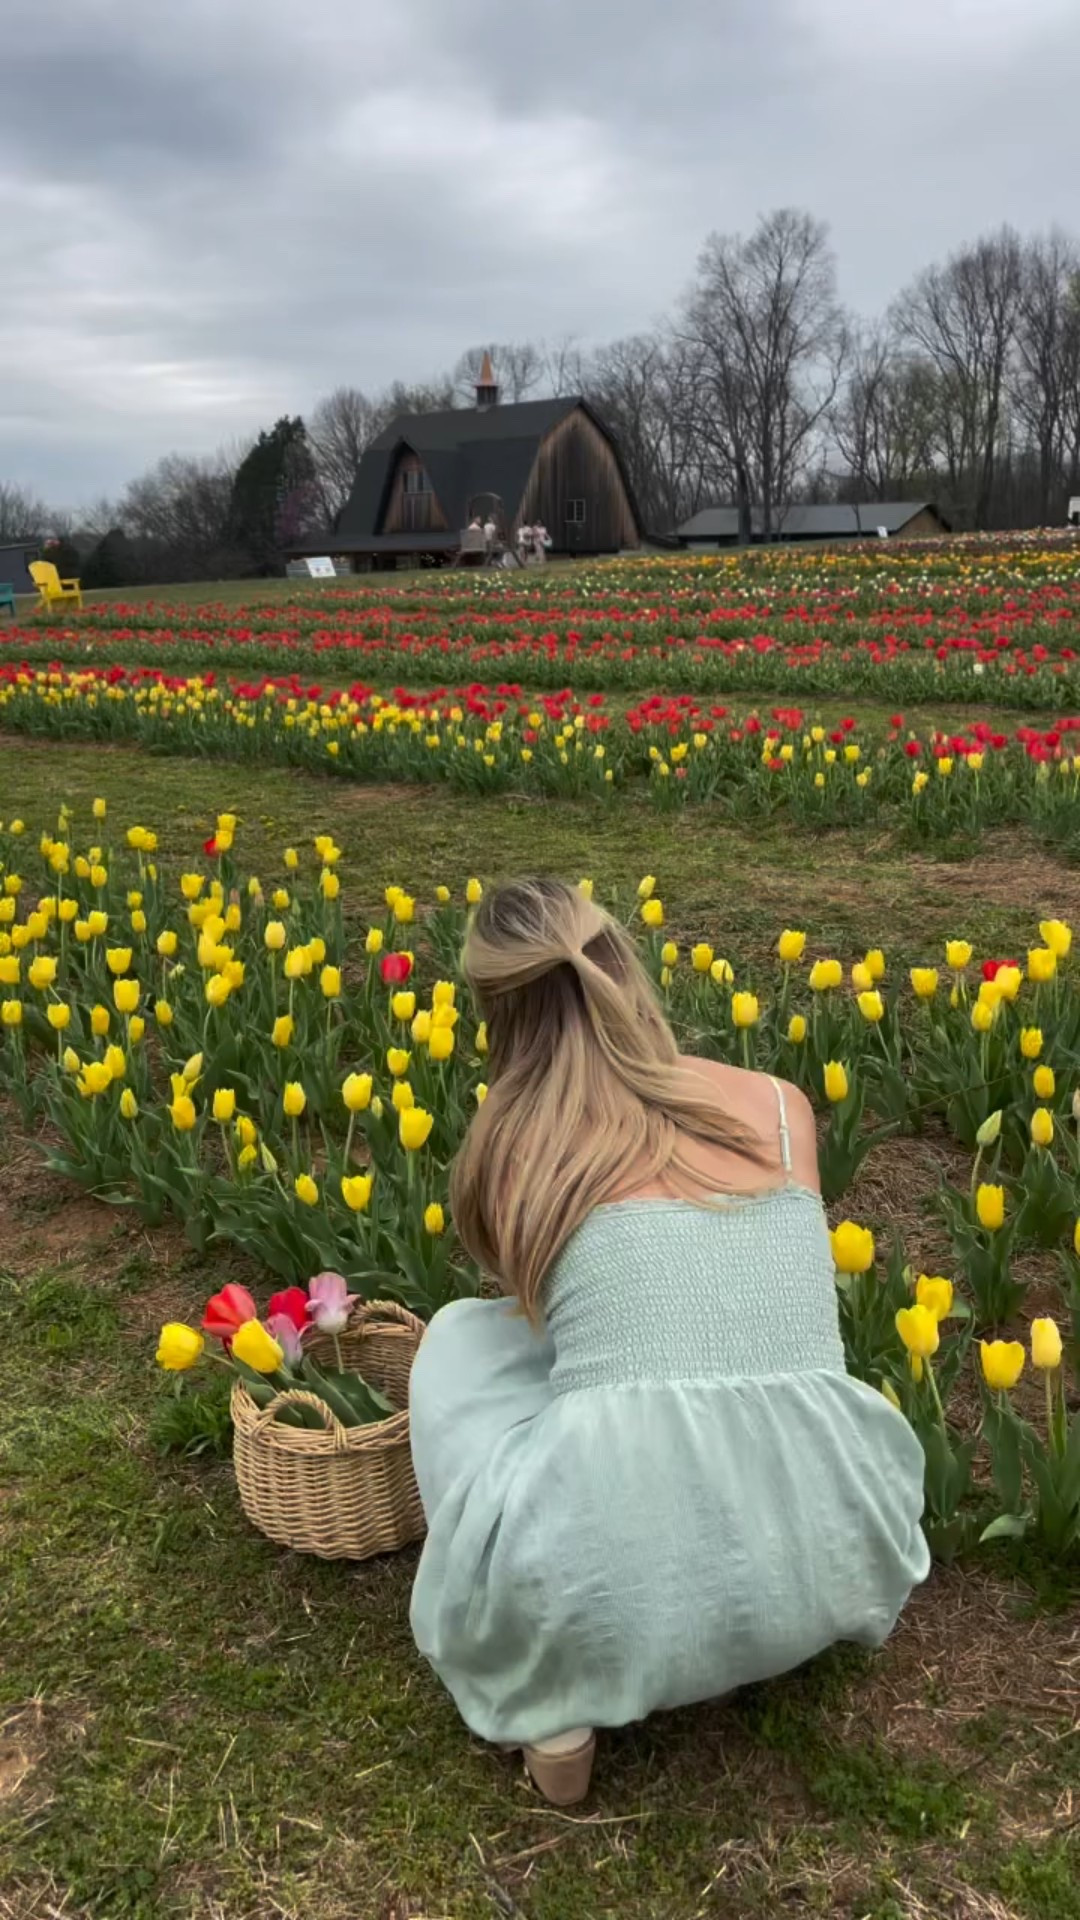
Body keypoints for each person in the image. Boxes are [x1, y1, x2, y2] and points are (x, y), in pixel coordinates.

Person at [409, 881, 929, 1806]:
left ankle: (558, 1711)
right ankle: (743, 1607)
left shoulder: (520, 1142)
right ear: (626, 969)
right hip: (837, 1543)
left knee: (464, 1339)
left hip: (612, 1601)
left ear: (498, 1008)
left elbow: (539, 1318)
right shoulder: (781, 1106)